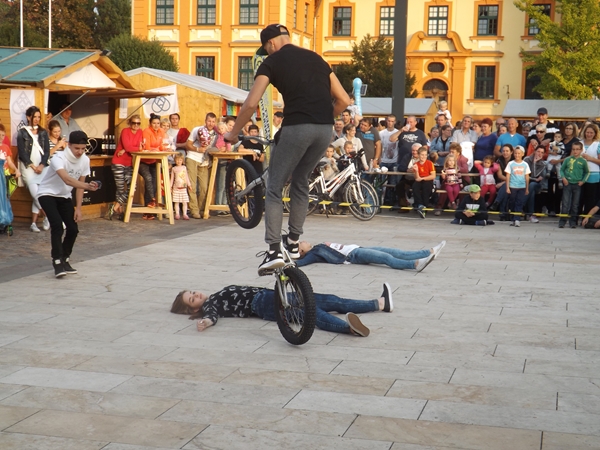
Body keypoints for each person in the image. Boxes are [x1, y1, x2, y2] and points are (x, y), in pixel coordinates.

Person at [224, 24, 350, 273]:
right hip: (324, 129)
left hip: (297, 127)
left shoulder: (271, 62)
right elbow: (344, 99)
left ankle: (274, 250)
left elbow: (251, 103)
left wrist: (234, 132)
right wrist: (323, 118)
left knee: (274, 185)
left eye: (267, 49)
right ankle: (293, 243)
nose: (268, 52)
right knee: (301, 181)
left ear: (271, 44)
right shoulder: (317, 58)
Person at [172, 283, 395, 337]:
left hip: (270, 295)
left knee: (328, 300)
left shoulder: (214, 295)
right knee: (310, 312)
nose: (196, 295)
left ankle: (379, 303)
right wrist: (206, 322)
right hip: (263, 304)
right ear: (192, 309)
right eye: (192, 300)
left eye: (192, 292)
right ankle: (348, 328)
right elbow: (211, 316)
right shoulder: (210, 305)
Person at [37, 131, 98, 278]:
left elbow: (80, 186)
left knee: (73, 229)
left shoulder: (85, 160)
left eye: (83, 149)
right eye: (77, 148)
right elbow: (67, 179)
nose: (80, 152)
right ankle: (57, 261)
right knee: (57, 225)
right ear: (69, 145)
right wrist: (88, 186)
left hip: (64, 196)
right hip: (47, 193)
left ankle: (65, 258)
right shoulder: (59, 158)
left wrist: (78, 208)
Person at [296, 240, 446, 272]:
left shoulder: (317, 247)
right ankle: (415, 264)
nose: (302, 241)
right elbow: (303, 262)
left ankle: (429, 252)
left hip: (358, 248)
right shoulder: (313, 253)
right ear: (301, 251)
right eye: (300, 244)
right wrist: (289, 263)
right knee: (387, 258)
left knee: (394, 251)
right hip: (354, 255)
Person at [17, 105, 51, 233]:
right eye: (34, 116)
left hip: (42, 167)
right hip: (28, 167)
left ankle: (33, 223)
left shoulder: (43, 132)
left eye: (38, 117)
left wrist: (41, 165)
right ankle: (49, 216)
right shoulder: (22, 132)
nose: (36, 119)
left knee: (40, 193)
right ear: (28, 117)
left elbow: (47, 151)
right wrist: (32, 165)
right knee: (35, 194)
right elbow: (22, 152)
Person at [110, 115, 143, 221]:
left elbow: (140, 147)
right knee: (120, 188)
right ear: (130, 123)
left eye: (138, 123)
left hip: (129, 163)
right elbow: (131, 147)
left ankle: (115, 206)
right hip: (118, 161)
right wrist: (128, 149)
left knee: (133, 187)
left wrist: (126, 149)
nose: (136, 125)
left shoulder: (140, 132)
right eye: (134, 123)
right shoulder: (125, 131)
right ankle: (120, 213)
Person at [186, 112, 218, 219]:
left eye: (213, 121)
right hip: (192, 157)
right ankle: (194, 210)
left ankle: (200, 209)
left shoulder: (216, 134)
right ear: (205, 121)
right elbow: (188, 144)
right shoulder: (197, 130)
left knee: (204, 187)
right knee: (192, 186)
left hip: (205, 161)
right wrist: (197, 149)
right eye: (209, 121)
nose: (211, 123)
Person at [140, 113, 168, 219]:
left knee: (154, 184)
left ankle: (148, 211)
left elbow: (163, 145)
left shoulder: (161, 131)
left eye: (158, 123)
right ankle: (152, 200)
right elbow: (147, 147)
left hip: (154, 160)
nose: (156, 125)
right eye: (154, 123)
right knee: (148, 178)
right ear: (150, 123)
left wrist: (160, 148)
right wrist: (156, 149)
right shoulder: (146, 131)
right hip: (143, 161)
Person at [559, 141, 589, 229]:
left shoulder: (583, 161)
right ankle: (562, 221)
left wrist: (583, 181)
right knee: (565, 203)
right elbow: (561, 170)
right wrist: (563, 178)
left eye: (577, 149)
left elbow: (587, 172)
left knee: (575, 204)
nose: (575, 151)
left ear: (581, 150)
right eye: (573, 149)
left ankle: (573, 221)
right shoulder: (567, 159)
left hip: (577, 185)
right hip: (567, 184)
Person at [0, 125, 20, 233]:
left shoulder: (5, 148)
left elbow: (10, 162)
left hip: (4, 176)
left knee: (5, 198)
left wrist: (16, 170)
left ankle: (6, 221)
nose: (1, 137)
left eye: (3, 135)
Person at [505, 145, 530, 227]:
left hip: (522, 186)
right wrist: (507, 187)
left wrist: (527, 188)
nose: (517, 155)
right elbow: (508, 175)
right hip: (513, 186)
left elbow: (527, 176)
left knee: (519, 202)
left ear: (522, 154)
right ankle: (512, 218)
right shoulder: (510, 164)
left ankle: (517, 219)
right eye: (515, 153)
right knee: (512, 202)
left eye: (519, 153)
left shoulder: (525, 164)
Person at [579, 123, 600, 219]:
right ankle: (575, 218)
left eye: (591, 133)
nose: (589, 134)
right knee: (579, 198)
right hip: (580, 174)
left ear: (595, 133)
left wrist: (590, 158)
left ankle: (587, 219)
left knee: (590, 199)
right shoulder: (580, 143)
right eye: (587, 132)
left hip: (593, 174)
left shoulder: (598, 144)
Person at [523, 146, 548, 223]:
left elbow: (533, 175)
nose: (539, 154)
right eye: (538, 151)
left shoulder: (543, 164)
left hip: (537, 185)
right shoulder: (526, 159)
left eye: (542, 153)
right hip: (525, 183)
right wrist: (533, 178)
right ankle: (531, 215)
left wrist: (534, 163)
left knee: (532, 185)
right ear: (534, 151)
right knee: (531, 192)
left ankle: (521, 205)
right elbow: (524, 174)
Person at [412, 146, 436, 219]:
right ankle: (420, 205)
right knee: (415, 187)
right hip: (419, 179)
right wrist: (416, 171)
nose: (424, 156)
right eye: (422, 155)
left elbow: (433, 175)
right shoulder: (416, 164)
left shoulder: (429, 163)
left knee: (426, 188)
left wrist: (423, 178)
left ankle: (424, 207)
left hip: (427, 179)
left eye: (425, 155)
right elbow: (416, 178)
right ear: (419, 155)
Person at [170, 153, 192, 220]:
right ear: (175, 160)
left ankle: (185, 214)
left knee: (184, 202)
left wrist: (189, 185)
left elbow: (186, 177)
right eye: (177, 160)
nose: (179, 161)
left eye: (180, 160)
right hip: (176, 188)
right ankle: (177, 214)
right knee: (176, 202)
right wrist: (170, 186)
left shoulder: (184, 168)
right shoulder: (174, 169)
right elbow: (172, 178)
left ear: (182, 160)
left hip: (183, 187)